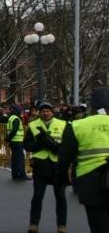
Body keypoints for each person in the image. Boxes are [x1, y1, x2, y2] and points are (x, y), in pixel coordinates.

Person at [58, 87, 109, 233]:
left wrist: (61, 179)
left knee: (98, 224)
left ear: (91, 106)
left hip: (90, 180)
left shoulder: (77, 125)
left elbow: (65, 156)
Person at [24, 101, 67, 233]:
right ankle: (34, 224)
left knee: (60, 197)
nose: (45, 113)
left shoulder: (63, 124)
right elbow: (27, 145)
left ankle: (62, 225)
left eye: (48, 111)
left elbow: (67, 145)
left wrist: (55, 147)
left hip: (57, 165)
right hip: (40, 165)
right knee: (37, 196)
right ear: (39, 113)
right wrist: (41, 144)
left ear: (52, 112)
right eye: (43, 111)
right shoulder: (33, 125)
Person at [6, 105, 29, 180]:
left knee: (14, 158)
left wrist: (8, 139)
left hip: (13, 141)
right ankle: (22, 175)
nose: (21, 113)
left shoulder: (11, 118)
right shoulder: (16, 119)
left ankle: (15, 174)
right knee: (20, 159)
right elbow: (14, 130)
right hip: (17, 141)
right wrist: (8, 139)